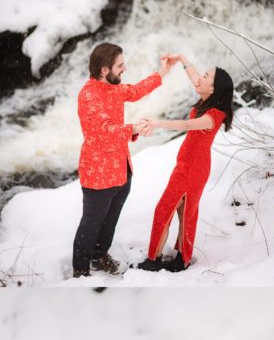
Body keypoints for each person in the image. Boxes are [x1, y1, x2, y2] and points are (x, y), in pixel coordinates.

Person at [73, 43, 173, 279]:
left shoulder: (113, 88)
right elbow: (103, 130)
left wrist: (163, 72)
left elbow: (136, 91)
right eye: (120, 65)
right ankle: (80, 272)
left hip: (121, 169)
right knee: (90, 225)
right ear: (105, 70)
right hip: (98, 174)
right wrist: (134, 128)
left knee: (109, 223)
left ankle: (99, 256)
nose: (124, 69)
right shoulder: (88, 95)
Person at [135, 57, 235, 272]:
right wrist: (182, 59)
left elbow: (187, 124)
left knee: (167, 211)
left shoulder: (213, 115)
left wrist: (157, 123)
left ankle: (155, 260)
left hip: (192, 170)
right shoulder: (206, 100)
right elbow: (195, 78)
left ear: (214, 88)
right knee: (183, 212)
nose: (200, 79)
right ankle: (183, 256)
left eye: (206, 77)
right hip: (186, 166)